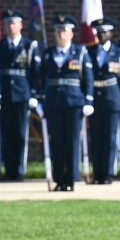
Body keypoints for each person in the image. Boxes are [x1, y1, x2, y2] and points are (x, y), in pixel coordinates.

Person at [39, 16, 93, 192]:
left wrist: (88, 100)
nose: (61, 34)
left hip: (74, 103)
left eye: (64, 31)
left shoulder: (80, 52)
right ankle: (59, 179)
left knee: (72, 141)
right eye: (58, 31)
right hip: (54, 103)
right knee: (57, 142)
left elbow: (88, 79)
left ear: (71, 33)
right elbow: (40, 79)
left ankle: (70, 179)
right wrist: (40, 100)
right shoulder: (48, 54)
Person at [0, 13, 37, 182]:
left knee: (20, 134)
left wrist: (33, 94)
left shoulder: (29, 46)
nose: (10, 26)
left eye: (14, 23)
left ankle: (19, 170)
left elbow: (35, 72)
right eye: (7, 23)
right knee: (7, 134)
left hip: (22, 94)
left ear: (21, 25)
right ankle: (8, 170)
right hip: (5, 95)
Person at [86, 18, 120, 185]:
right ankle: (98, 172)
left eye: (105, 32)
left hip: (112, 97)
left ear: (111, 33)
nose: (102, 35)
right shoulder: (89, 51)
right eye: (99, 32)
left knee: (109, 137)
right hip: (95, 98)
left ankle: (108, 172)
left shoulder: (118, 52)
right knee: (96, 137)